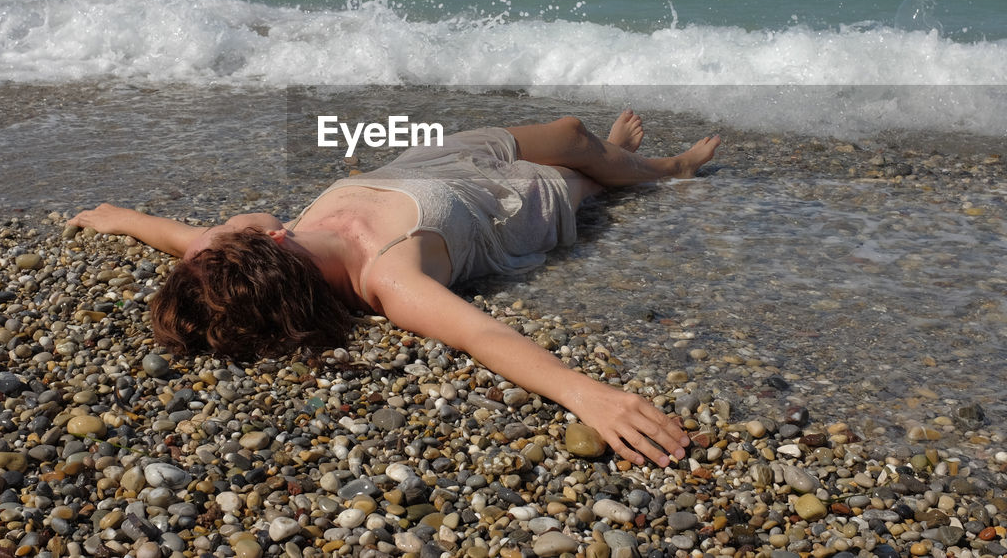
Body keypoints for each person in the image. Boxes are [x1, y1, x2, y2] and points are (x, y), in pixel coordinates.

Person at [70, 111, 720, 466]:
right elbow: (482, 334)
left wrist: (117, 217)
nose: (216, 231)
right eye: (225, 233)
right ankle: (667, 168)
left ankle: (605, 150)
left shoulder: (253, 257)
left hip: (428, 165)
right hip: (512, 205)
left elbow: (194, 245)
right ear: (270, 243)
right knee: (586, 178)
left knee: (570, 132)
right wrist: (591, 395)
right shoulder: (388, 274)